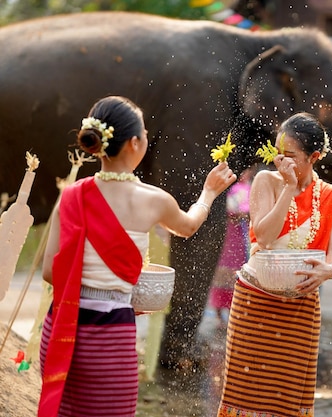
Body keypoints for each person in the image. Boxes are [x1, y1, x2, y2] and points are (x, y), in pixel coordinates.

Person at [39, 95, 236, 417]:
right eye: (144, 133)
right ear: (133, 143)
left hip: (64, 326)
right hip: (111, 331)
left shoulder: (71, 196)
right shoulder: (153, 200)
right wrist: (209, 192)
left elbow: (50, 271)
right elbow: (187, 227)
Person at [216, 112, 332, 417]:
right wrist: (288, 187)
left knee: (288, 400)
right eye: (277, 153)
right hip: (255, 302)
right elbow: (264, 234)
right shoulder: (266, 181)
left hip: (301, 306)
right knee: (245, 396)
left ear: (314, 156)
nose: (280, 161)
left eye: (289, 156)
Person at [207, 166, 254, 326]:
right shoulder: (230, 188)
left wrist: (244, 214)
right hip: (228, 236)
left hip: (240, 238)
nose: (244, 174)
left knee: (236, 272)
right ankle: (219, 313)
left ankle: (234, 311)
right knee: (222, 271)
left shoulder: (250, 189)